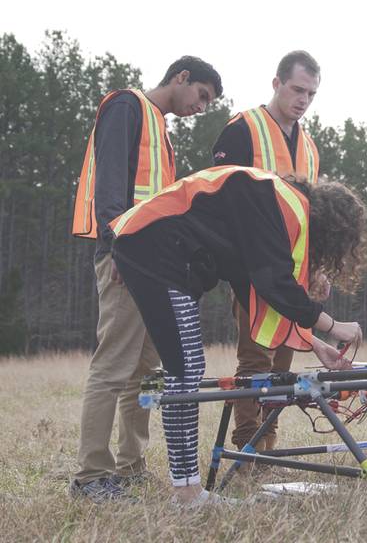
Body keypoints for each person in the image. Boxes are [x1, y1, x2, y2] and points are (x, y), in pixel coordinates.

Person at [109, 165, 366, 507]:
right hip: (157, 248)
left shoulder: (271, 203)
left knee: (185, 368)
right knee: (185, 369)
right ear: (331, 230)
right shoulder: (277, 203)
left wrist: (316, 344)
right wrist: (334, 326)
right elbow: (274, 282)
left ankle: (187, 491)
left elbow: (257, 293)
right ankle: (187, 494)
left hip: (154, 246)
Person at [70, 56, 223, 502]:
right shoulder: (127, 106)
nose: (201, 106)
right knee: (114, 365)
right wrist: (118, 243)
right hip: (126, 257)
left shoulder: (160, 129)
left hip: (153, 265)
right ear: (181, 78)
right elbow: (112, 180)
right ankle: (91, 477)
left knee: (145, 370)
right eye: (201, 95)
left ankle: (131, 467)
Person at [211, 50, 322, 454]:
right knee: (256, 362)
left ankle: (267, 447)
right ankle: (247, 450)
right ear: (276, 84)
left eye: (311, 93)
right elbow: (218, 197)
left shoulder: (309, 146)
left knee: (281, 369)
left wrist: (319, 267)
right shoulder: (243, 129)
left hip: (294, 276)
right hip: (251, 270)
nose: (303, 100)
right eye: (297, 89)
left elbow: (313, 214)